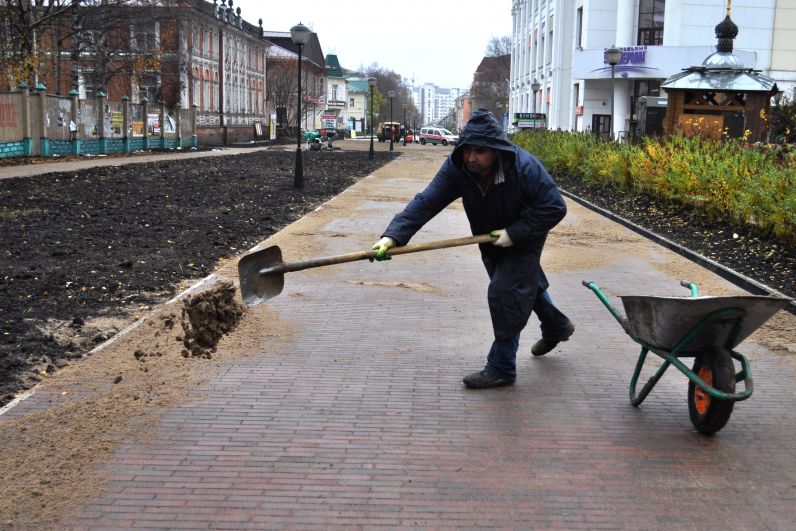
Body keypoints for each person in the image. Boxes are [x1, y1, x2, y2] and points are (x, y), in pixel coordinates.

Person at [370, 109, 574, 389]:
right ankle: (556, 325)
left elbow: (554, 207)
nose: (471, 157)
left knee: (506, 292)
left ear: (496, 150)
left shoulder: (524, 168)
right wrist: (392, 236)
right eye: (467, 150)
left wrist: (514, 234)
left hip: (525, 234)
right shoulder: (458, 169)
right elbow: (428, 200)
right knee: (523, 283)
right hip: (486, 237)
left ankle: (502, 367)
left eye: (479, 151)